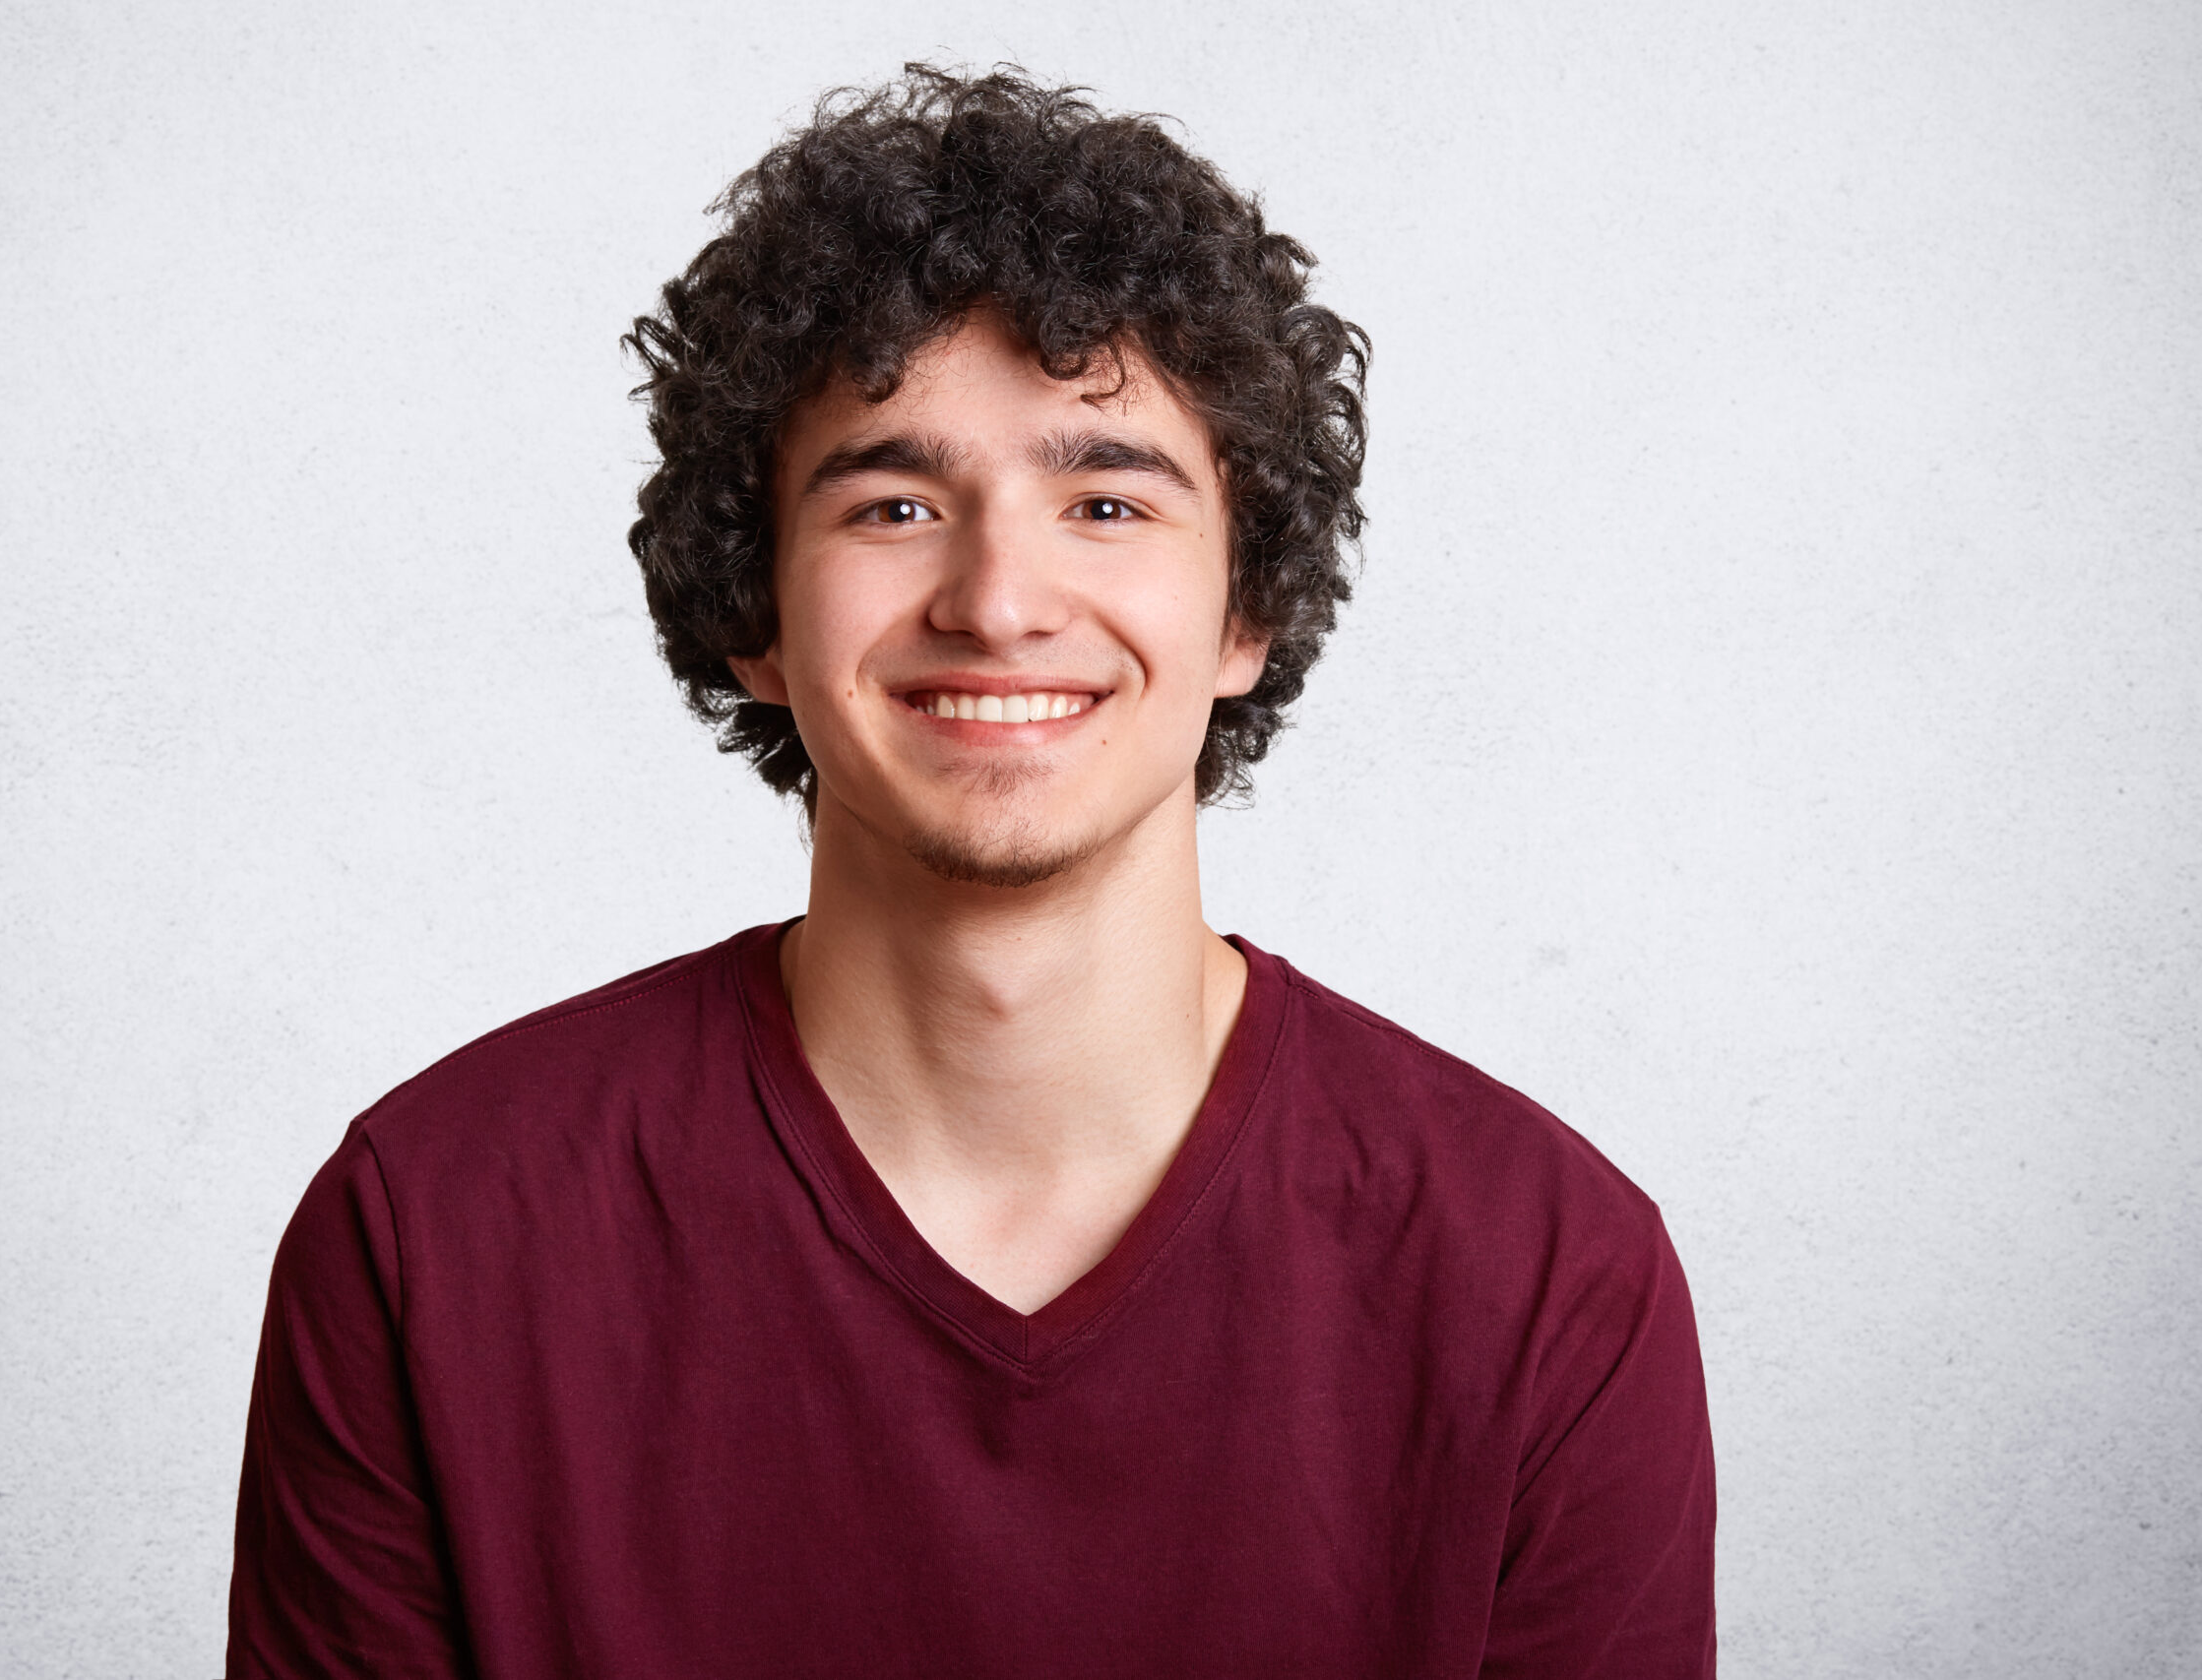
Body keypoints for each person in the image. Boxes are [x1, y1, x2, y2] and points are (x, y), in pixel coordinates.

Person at [227, 64, 1715, 1679]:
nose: (999, 598)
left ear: (1246, 611)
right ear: (755, 615)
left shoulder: (1550, 1272)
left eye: (1106, 498)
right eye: (895, 501)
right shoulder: (430, 1234)